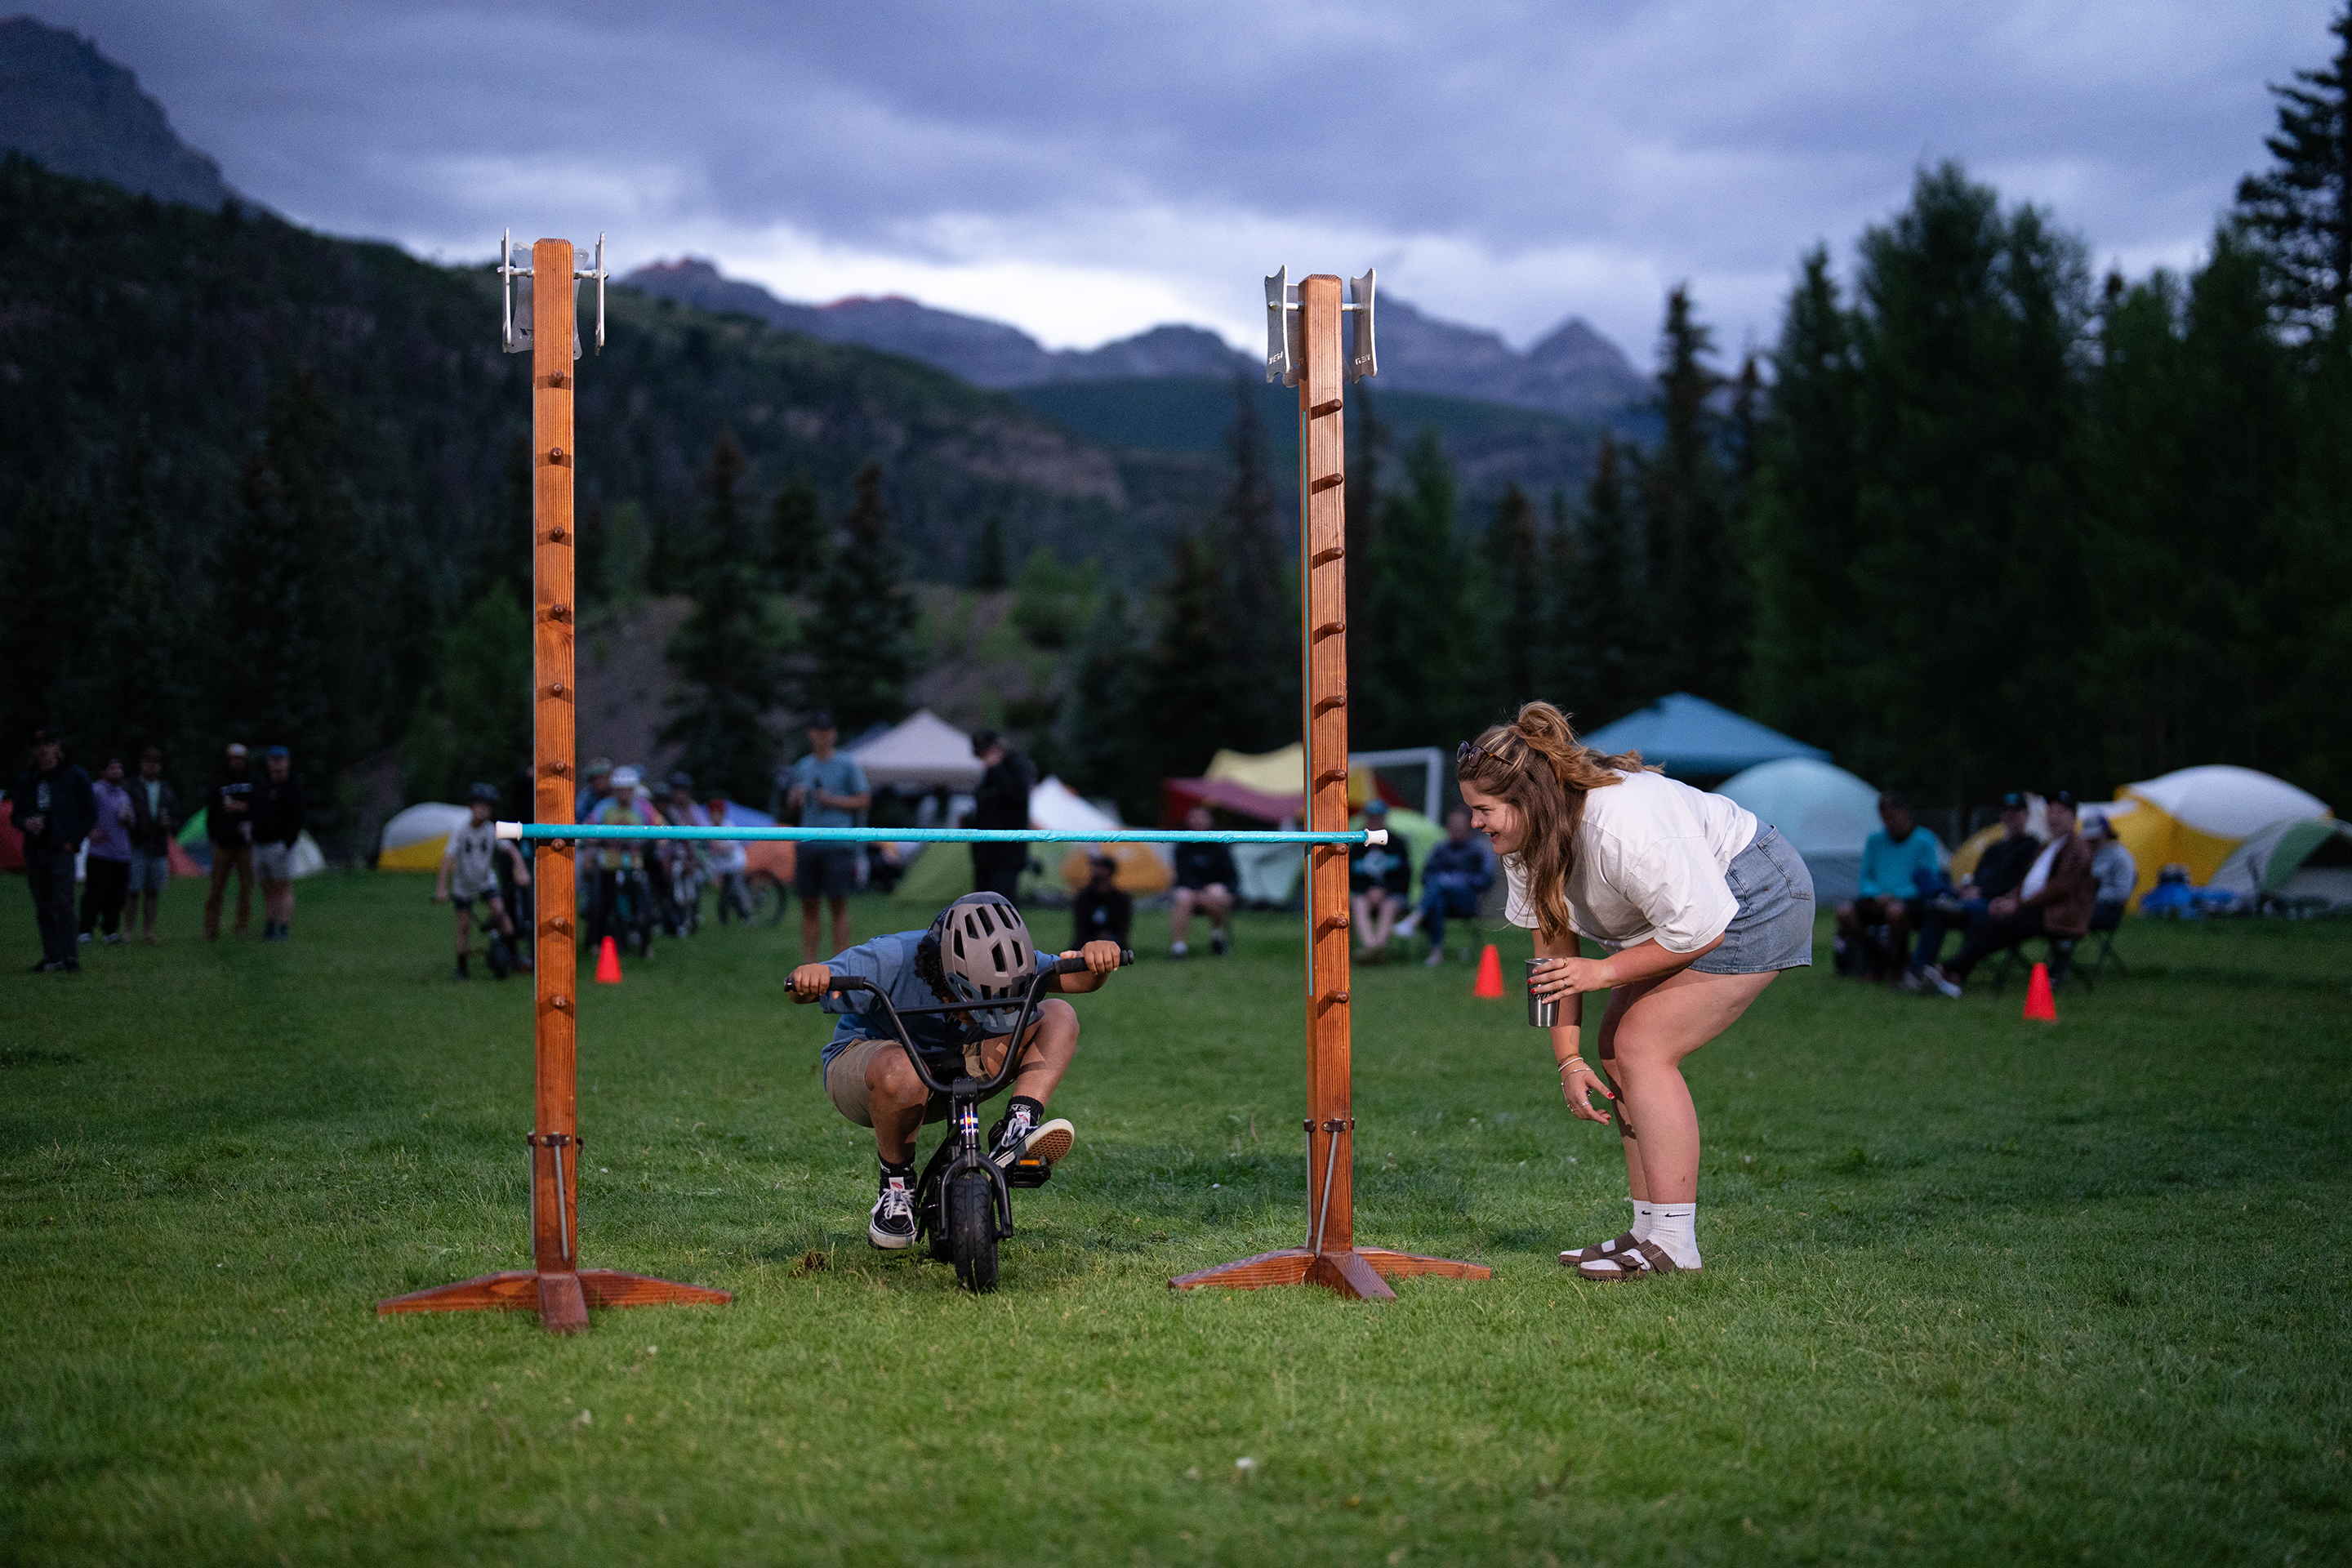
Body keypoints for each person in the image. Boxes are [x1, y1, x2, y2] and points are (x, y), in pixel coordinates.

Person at [1458, 702, 1814, 1283]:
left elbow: (1702, 928)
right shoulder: (1525, 842)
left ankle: (1676, 1245)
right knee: (1614, 1048)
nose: (1474, 824)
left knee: (1644, 1046)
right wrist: (1566, 1061)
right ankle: (1650, 1233)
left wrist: (1603, 974)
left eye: (1483, 810)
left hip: (1754, 893)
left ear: (1529, 799)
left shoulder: (1617, 824)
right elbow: (1551, 957)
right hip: (1690, 916)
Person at [789, 893, 1122, 1248]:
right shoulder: (887, 958)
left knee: (1059, 1015)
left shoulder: (1010, 961)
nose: (984, 1011)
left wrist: (1097, 962)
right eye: (972, 998)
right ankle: (897, 1188)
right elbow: (803, 989)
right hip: (873, 1072)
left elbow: (1078, 981)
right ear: (941, 972)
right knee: (903, 1069)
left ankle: (1017, 1127)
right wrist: (809, 979)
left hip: (956, 1064)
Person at [1929, 792, 2095, 997]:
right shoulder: (2047, 846)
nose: (2054, 817)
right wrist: (2008, 899)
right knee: (1986, 917)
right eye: (2051, 812)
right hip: (2037, 908)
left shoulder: (2078, 847)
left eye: (2060, 812)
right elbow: (2027, 882)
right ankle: (1954, 976)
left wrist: (2019, 904)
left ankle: (1949, 971)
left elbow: (2059, 888)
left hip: (2059, 914)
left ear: (2073, 816)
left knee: (1999, 924)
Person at [1904, 791, 2041, 985]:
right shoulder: (1993, 848)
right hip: (1970, 896)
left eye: (2016, 811)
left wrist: (1982, 893)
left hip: (1992, 903)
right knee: (1924, 879)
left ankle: (1950, 971)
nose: (2011, 816)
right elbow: (1978, 876)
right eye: (2007, 811)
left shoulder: (2031, 846)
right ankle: (1917, 971)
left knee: (1944, 909)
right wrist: (1967, 888)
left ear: (2025, 815)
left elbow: (2019, 883)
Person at [785, 711, 871, 961]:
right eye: (818, 731)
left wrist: (831, 801)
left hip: (838, 842)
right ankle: (809, 965)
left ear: (834, 733)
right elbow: (793, 807)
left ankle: (840, 966)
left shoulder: (847, 764)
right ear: (811, 734)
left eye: (827, 731)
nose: (822, 736)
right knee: (808, 906)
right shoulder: (803, 766)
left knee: (838, 905)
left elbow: (864, 800)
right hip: (808, 841)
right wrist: (794, 799)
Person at [1833, 791, 1942, 982]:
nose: (1889, 823)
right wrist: (1875, 895)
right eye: (1885, 818)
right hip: (1877, 899)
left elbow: (1928, 881)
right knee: (1844, 912)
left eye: (1893, 816)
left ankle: (1900, 960)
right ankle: (1876, 956)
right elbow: (1866, 876)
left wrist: (1895, 895)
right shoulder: (1875, 841)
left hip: (1909, 901)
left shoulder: (1924, 841)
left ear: (1905, 812)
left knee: (1896, 912)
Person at [12, 728, 96, 973]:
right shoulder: (27, 779)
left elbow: (89, 813)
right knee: (43, 904)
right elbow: (15, 814)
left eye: (48, 744)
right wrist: (25, 823)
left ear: (57, 747)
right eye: (39, 745)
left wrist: (74, 840)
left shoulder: (74, 776)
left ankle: (70, 956)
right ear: (33, 750)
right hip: (36, 848)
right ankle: (52, 956)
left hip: (61, 848)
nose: (44, 749)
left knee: (64, 902)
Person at [437, 783, 533, 980]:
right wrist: (442, 888)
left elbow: (511, 850)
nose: (483, 810)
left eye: (487, 807)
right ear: (471, 807)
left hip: (485, 881)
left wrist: (521, 869)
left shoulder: (492, 830)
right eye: (479, 806)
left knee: (503, 919)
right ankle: (462, 967)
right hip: (463, 884)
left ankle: (515, 957)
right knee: (463, 926)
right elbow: (448, 859)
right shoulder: (461, 830)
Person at [586, 764, 662, 954]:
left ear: (634, 790)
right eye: (620, 790)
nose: (624, 794)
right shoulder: (604, 807)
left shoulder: (644, 808)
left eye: (628, 790)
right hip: (609, 863)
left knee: (644, 903)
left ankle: (646, 945)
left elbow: (662, 829)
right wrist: (593, 841)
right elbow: (588, 827)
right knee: (600, 903)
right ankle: (596, 943)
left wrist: (655, 842)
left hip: (635, 863)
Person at [1416, 807, 1496, 965]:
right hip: (1442, 902)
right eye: (1452, 823)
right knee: (1438, 899)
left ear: (1469, 826)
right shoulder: (1441, 849)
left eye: (1459, 823)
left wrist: (1459, 880)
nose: (1456, 827)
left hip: (1467, 902)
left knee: (1441, 882)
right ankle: (1436, 953)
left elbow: (1486, 879)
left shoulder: (1478, 850)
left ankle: (1416, 917)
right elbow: (1425, 876)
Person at [969, 728, 1035, 904]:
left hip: (1007, 853)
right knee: (981, 907)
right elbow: (986, 805)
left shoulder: (1016, 766)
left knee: (1002, 907)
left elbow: (1018, 796)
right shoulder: (988, 773)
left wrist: (997, 769)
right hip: (984, 853)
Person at [123, 746, 180, 944]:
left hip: (158, 846)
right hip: (137, 844)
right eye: (148, 762)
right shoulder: (130, 786)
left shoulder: (166, 789)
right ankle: (128, 932)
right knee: (132, 891)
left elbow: (176, 816)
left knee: (153, 891)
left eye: (155, 763)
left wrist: (170, 824)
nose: (152, 767)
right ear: (141, 765)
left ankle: (148, 932)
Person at [252, 746, 307, 942]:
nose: (277, 764)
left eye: (280, 760)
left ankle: (283, 928)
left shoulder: (293, 788)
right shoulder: (263, 787)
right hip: (260, 845)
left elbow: (298, 818)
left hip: (280, 846)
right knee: (267, 889)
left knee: (283, 888)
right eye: (273, 760)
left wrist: (288, 843)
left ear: (287, 762)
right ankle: (269, 926)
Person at [78, 755, 134, 946]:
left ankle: (110, 931)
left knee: (117, 895)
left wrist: (128, 820)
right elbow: (81, 812)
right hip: (100, 853)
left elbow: (131, 821)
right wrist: (88, 831)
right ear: (103, 772)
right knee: (96, 892)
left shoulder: (123, 795)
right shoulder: (95, 791)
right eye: (113, 768)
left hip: (121, 852)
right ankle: (85, 930)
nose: (118, 772)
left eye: (119, 768)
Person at [203, 742, 256, 940]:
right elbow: (212, 812)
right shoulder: (219, 783)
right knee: (216, 886)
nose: (236, 762)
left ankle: (241, 927)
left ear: (245, 760)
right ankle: (211, 927)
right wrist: (215, 835)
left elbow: (259, 807)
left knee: (246, 886)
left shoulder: (253, 782)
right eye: (233, 759)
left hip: (246, 844)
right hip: (223, 843)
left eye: (240, 759)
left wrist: (246, 809)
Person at [1169, 804, 1236, 957]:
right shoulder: (1182, 844)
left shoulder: (1220, 844)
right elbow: (1182, 875)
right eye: (1194, 818)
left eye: (1202, 818)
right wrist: (1200, 893)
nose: (1198, 822)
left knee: (1217, 892)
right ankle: (1179, 948)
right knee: (1183, 896)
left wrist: (1231, 893)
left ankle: (1217, 937)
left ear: (1210, 821)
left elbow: (1231, 875)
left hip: (1213, 894)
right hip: (1190, 892)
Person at [1349, 798, 1412, 960]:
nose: (1374, 821)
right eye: (1371, 817)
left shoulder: (1396, 843)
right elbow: (1350, 876)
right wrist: (1368, 890)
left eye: (1378, 817)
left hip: (1391, 894)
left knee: (1389, 906)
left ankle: (1378, 947)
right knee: (1358, 903)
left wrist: (1385, 890)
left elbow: (1405, 875)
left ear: (1384, 818)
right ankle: (1371, 947)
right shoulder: (1357, 844)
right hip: (1365, 894)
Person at [2084, 812, 2136, 932]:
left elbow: (2122, 893)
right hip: (2088, 904)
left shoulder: (2121, 857)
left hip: (2109, 909)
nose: (2091, 841)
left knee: (2069, 914)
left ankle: (2063, 945)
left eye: (2095, 837)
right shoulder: (2090, 855)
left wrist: (2089, 896)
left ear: (2105, 833)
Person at [1071, 853, 1133, 951]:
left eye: (1100, 868)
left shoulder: (1121, 899)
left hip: (1113, 941)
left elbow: (1122, 930)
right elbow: (1080, 930)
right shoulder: (1083, 897)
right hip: (1088, 941)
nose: (1096, 872)